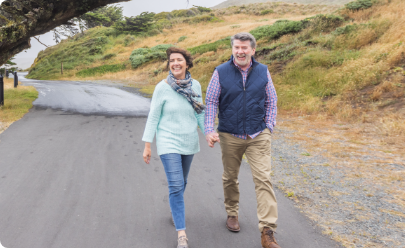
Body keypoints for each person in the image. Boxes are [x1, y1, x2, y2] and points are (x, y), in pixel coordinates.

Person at [204, 32, 280, 248]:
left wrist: (269, 126)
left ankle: (267, 231)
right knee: (230, 177)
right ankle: (232, 213)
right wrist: (209, 129)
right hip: (230, 134)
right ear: (232, 49)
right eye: (237, 47)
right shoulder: (220, 72)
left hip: (258, 135)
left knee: (263, 179)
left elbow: (272, 101)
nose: (240, 51)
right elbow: (210, 102)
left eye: (245, 48)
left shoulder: (263, 71)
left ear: (253, 50)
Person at [142, 47, 205, 248]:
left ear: (187, 63)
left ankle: (174, 207)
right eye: (171, 60)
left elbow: (200, 113)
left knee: (182, 181)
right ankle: (182, 234)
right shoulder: (162, 87)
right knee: (176, 185)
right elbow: (153, 116)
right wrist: (148, 144)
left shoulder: (195, 85)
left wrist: (210, 133)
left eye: (179, 59)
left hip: (188, 140)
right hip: (168, 141)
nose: (175, 63)